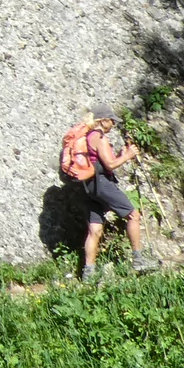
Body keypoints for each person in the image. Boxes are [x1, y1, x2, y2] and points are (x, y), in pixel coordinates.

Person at [68, 114, 158, 276]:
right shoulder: (99, 137)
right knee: (133, 215)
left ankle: (88, 273)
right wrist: (129, 155)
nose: (114, 124)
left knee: (94, 229)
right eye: (112, 120)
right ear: (103, 120)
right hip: (102, 184)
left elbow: (102, 162)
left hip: (88, 186)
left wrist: (121, 155)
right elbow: (110, 165)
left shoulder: (87, 136)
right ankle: (138, 260)